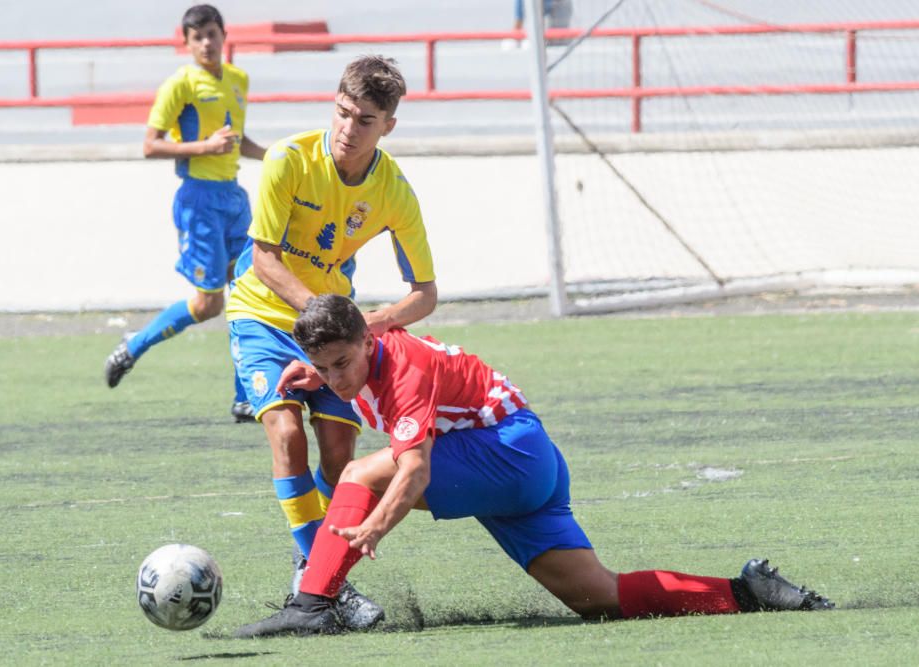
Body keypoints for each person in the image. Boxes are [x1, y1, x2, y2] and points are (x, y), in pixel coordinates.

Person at [234, 295, 834, 637]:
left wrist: (371, 532)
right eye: (325, 368)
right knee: (599, 597)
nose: (337, 378)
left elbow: (413, 471)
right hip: (525, 456)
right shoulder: (359, 358)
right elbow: (368, 394)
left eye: (343, 362)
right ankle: (747, 591)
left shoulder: (404, 366)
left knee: (361, 476)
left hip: (507, 452)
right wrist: (324, 377)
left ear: (369, 339)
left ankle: (312, 604)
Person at [224, 56, 438, 628]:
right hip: (264, 315)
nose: (348, 128)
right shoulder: (288, 159)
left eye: (365, 119)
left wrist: (369, 326)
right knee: (287, 432)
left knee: (341, 457)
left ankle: (310, 571)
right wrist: (316, 314)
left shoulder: (393, 190)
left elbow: (425, 294)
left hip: (332, 330)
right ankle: (330, 589)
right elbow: (264, 258)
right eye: (342, 112)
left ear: (388, 124)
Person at [104, 4, 266, 424]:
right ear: (188, 43)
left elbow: (239, 139)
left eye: (212, 34)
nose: (207, 43)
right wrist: (204, 148)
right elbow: (150, 145)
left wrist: (278, 157)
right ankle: (134, 344)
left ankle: (244, 396)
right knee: (208, 304)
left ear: (224, 35)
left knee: (250, 293)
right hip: (198, 201)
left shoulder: (238, 80)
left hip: (234, 199)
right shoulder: (180, 84)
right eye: (198, 37)